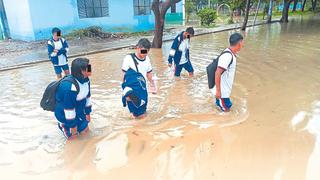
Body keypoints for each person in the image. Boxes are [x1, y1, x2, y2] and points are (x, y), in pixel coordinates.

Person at [55, 58, 92, 139]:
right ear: (80, 71)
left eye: (89, 66)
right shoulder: (69, 87)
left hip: (79, 112)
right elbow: (68, 109)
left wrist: (88, 113)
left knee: (86, 132)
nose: (90, 69)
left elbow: (88, 97)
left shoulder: (86, 80)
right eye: (88, 68)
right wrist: (73, 127)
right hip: (65, 116)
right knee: (73, 139)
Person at [121, 38, 156, 118]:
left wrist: (152, 85)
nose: (144, 54)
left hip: (143, 90)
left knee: (143, 112)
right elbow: (123, 75)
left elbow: (149, 73)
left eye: (146, 52)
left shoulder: (147, 59)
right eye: (143, 51)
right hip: (132, 91)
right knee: (139, 115)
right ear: (137, 48)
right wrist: (124, 90)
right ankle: (135, 130)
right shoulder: (129, 58)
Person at [212, 33, 244, 112]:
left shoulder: (230, 53)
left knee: (224, 107)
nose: (243, 44)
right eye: (242, 42)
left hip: (224, 91)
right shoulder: (227, 56)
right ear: (239, 43)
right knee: (226, 111)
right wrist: (218, 92)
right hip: (222, 92)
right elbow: (217, 73)